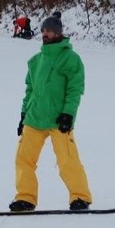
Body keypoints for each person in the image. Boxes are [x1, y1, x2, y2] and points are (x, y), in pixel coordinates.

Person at [9, 16, 92, 212]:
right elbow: (30, 90)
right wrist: (23, 115)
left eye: (49, 30)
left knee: (67, 160)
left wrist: (68, 114)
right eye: (43, 30)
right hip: (34, 118)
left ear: (58, 33)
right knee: (23, 159)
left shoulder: (71, 59)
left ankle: (80, 197)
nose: (45, 34)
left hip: (58, 119)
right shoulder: (36, 61)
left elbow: (75, 89)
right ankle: (26, 198)